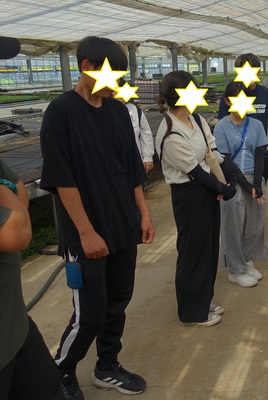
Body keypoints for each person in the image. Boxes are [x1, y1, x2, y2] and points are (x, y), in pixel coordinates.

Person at [40, 36, 155, 400]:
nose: (115, 84)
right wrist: (86, 232)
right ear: (86, 67)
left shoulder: (118, 111)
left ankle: (107, 366)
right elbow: (62, 179)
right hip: (86, 233)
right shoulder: (61, 112)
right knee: (89, 313)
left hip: (123, 226)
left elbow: (132, 169)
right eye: (111, 75)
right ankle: (61, 370)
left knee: (117, 304)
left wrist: (144, 214)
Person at [0, 36, 64, 400]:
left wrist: (13, 199)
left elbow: (19, 190)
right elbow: (16, 231)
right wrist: (12, 199)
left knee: (46, 387)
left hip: (13, 326)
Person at [155, 71, 236, 326]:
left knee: (209, 248)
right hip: (188, 195)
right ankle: (192, 312)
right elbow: (195, 172)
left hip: (206, 190)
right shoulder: (170, 132)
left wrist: (230, 176)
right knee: (193, 252)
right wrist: (223, 188)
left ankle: (204, 300)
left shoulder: (196, 119)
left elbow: (213, 153)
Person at [214, 82, 268, 288]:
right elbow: (225, 160)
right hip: (233, 180)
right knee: (233, 225)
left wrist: (258, 184)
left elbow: (260, 154)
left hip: (254, 178)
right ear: (228, 102)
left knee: (254, 224)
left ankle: (247, 261)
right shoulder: (221, 127)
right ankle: (236, 270)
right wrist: (246, 185)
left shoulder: (256, 125)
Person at [217, 54, 268, 183]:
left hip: (260, 153)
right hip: (236, 156)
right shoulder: (230, 96)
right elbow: (223, 123)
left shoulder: (265, 94)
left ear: (258, 72)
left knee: (259, 186)